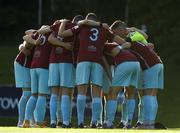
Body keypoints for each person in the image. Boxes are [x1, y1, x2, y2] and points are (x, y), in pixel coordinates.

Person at [58, 13, 126, 128]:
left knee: (81, 92)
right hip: (97, 61)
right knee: (96, 94)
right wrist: (129, 44)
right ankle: (94, 122)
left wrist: (62, 23)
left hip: (83, 60)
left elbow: (62, 33)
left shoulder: (82, 27)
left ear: (87, 20)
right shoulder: (103, 29)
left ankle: (80, 122)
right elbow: (120, 41)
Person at [112, 21, 164, 128]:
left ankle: (147, 123)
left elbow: (126, 44)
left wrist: (118, 48)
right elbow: (146, 39)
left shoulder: (128, 39)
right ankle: (150, 123)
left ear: (120, 30)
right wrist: (135, 28)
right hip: (158, 63)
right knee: (152, 95)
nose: (114, 36)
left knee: (147, 95)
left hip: (150, 65)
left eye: (114, 33)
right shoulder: (136, 35)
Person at [47, 15, 84, 128]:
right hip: (66, 61)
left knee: (54, 93)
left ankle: (53, 122)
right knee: (66, 93)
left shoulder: (59, 24)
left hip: (53, 62)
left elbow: (50, 39)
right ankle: (66, 122)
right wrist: (65, 45)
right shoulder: (76, 28)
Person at [22, 27, 52, 128]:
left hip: (33, 67)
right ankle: (39, 122)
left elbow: (25, 36)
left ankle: (26, 120)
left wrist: (35, 42)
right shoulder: (50, 33)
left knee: (34, 95)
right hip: (43, 67)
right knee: (42, 95)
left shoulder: (38, 34)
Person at [14, 30, 35, 127]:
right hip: (22, 65)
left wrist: (21, 46)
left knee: (32, 94)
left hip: (27, 67)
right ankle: (21, 122)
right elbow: (26, 34)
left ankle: (31, 121)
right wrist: (22, 47)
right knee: (27, 94)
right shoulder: (37, 36)